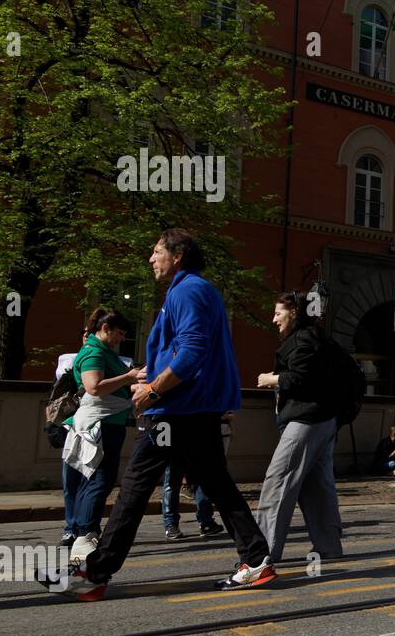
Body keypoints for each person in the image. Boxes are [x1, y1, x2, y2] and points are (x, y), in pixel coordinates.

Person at [39, 229, 276, 600]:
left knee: (135, 487)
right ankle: (256, 559)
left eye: (156, 251)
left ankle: (95, 573)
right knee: (215, 483)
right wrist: (150, 376)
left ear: (177, 255)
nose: (151, 259)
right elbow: (185, 350)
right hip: (191, 408)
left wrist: (153, 389)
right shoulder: (194, 289)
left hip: (175, 411)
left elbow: (193, 349)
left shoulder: (187, 290)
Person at [252, 292, 344, 563]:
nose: (274, 319)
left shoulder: (303, 339)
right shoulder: (317, 338)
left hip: (306, 420)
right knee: (318, 486)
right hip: (324, 421)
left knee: (278, 481)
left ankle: (262, 554)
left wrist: (272, 378)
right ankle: (329, 546)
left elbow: (303, 378)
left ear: (293, 312)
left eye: (278, 313)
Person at [61, 309, 144, 563]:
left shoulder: (104, 352)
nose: (121, 339)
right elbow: (94, 387)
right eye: (119, 333)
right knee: (99, 479)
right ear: (106, 328)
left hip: (107, 424)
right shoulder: (95, 352)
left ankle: (79, 531)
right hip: (101, 425)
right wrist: (129, 376)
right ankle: (85, 533)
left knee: (93, 478)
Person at [159, 414, 230, 540]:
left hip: (176, 426)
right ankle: (204, 522)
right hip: (190, 426)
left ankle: (173, 524)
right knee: (193, 479)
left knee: (175, 481)